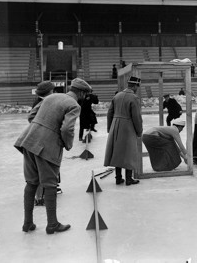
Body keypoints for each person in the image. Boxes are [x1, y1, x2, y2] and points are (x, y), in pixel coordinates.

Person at [14, 78, 92, 234]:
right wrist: (67, 144)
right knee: (50, 184)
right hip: (47, 147)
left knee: (31, 183)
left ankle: (27, 223)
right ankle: (52, 224)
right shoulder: (74, 105)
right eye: (85, 94)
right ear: (81, 93)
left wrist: (42, 126)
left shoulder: (50, 97)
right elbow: (66, 129)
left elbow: (31, 116)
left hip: (29, 140)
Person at [104, 76, 143, 186]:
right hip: (127, 127)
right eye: (137, 86)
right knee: (129, 153)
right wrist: (139, 131)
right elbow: (136, 117)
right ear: (135, 86)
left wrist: (109, 128)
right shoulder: (134, 98)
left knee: (118, 152)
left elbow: (109, 113)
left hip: (115, 126)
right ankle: (129, 178)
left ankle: (118, 178)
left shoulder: (117, 95)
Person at [28, 81, 56, 206]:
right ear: (48, 91)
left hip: (38, 139)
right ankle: (39, 197)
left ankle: (41, 194)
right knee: (41, 170)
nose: (54, 92)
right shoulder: (43, 102)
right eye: (53, 90)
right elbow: (31, 117)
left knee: (42, 170)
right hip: (41, 140)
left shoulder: (41, 101)